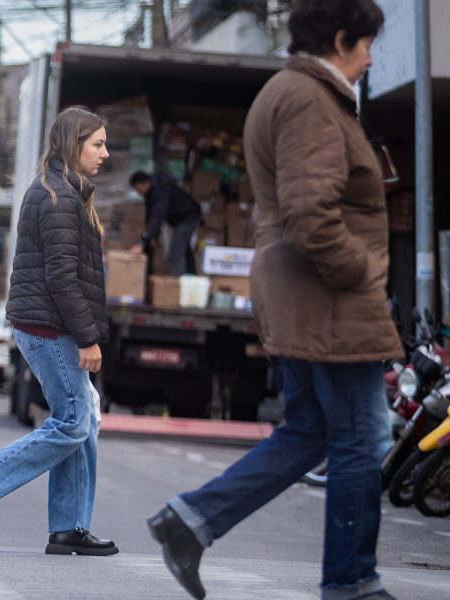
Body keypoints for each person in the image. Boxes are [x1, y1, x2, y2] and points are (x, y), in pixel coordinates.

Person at [147, 2, 398, 599]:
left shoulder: (289, 93)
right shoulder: (309, 101)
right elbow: (313, 219)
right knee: (364, 439)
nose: (368, 61)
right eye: (366, 46)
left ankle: (191, 520)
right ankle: (351, 581)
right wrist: (363, 270)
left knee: (310, 432)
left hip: (305, 301)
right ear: (341, 40)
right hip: (329, 306)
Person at [0, 106, 118, 556]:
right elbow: (62, 278)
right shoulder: (57, 198)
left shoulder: (62, 193)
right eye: (97, 144)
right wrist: (87, 337)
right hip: (51, 328)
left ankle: (69, 527)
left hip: (48, 325)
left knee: (83, 423)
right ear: (72, 143)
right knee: (75, 421)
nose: (105, 152)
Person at [128, 170, 201, 276]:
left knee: (176, 249)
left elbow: (157, 217)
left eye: (138, 188)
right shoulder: (150, 191)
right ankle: (191, 278)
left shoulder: (161, 190)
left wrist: (143, 241)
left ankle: (178, 283)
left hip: (188, 217)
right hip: (179, 219)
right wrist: (152, 236)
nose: (139, 192)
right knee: (184, 248)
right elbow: (151, 216)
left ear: (145, 183)